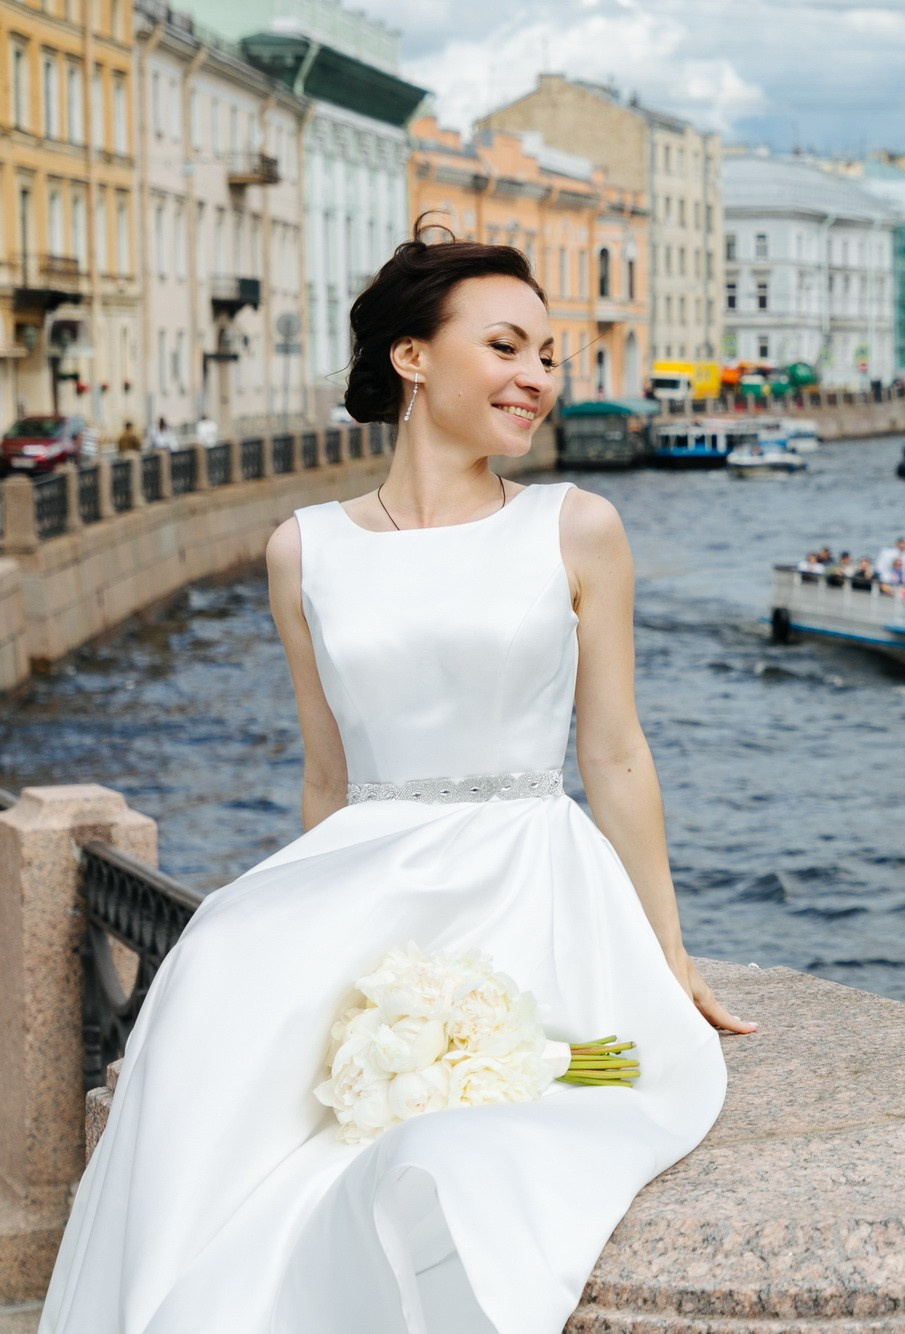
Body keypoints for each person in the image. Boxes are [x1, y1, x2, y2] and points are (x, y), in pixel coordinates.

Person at [38, 221, 752, 1334]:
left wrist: (666, 952)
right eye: (508, 346)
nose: (537, 379)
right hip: (364, 870)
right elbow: (327, 780)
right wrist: (298, 941)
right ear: (413, 358)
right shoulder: (304, 548)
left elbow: (612, 752)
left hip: (528, 877)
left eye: (548, 357)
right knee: (205, 1007)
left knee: (461, 1143)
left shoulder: (575, 528)